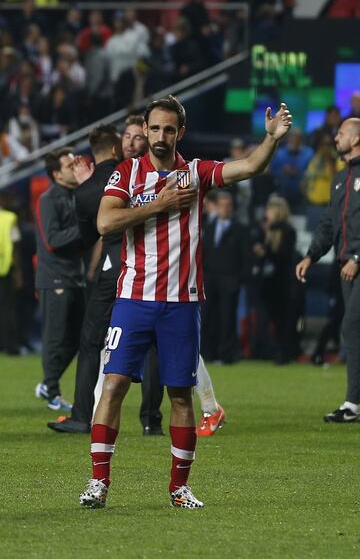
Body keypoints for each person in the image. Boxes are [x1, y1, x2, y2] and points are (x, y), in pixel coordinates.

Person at [79, 95, 292, 509]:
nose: (159, 137)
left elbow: (250, 166)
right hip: (133, 298)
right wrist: (159, 205)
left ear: (181, 133)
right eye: (154, 129)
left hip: (182, 303)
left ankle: (179, 487)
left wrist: (270, 140)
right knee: (114, 385)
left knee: (180, 395)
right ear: (146, 130)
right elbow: (105, 221)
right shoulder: (126, 173)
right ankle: (99, 482)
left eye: (168, 129)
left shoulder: (196, 173)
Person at [47, 118, 146, 434]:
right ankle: (152, 421)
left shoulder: (88, 189)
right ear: (117, 146)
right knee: (158, 343)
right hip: (149, 264)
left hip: (113, 266)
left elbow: (88, 237)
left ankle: (81, 416)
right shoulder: (138, 175)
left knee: (91, 340)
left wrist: (87, 186)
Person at [296, 118, 360, 423]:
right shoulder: (340, 178)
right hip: (346, 267)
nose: (336, 137)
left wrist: (357, 256)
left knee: (352, 326)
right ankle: (354, 404)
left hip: (355, 264)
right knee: (352, 329)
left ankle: (353, 404)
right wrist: (311, 255)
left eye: (342, 133)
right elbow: (327, 223)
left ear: (357, 138)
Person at [35, 148, 85, 411]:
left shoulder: (75, 196)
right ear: (56, 174)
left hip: (75, 276)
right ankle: (52, 391)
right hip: (55, 278)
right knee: (55, 337)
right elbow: (52, 241)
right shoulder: (48, 199)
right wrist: (85, 228)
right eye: (70, 165)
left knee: (79, 337)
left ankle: (47, 383)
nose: (76, 168)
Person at [254, 196, 302, 364]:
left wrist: (264, 252)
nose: (267, 213)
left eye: (270, 209)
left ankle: (284, 353)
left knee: (282, 320)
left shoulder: (287, 231)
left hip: (282, 282)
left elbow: (282, 257)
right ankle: (272, 350)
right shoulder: (268, 230)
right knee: (273, 319)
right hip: (269, 282)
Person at [201, 191, 247, 364]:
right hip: (210, 278)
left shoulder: (240, 229)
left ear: (232, 208)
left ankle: (226, 354)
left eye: (228, 206)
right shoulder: (209, 226)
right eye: (221, 205)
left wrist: (239, 278)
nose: (224, 209)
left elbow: (245, 256)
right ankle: (207, 353)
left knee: (227, 318)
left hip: (230, 279)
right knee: (207, 317)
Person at [0, 192, 22, 355]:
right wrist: (18, 272)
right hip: (5, 269)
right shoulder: (10, 218)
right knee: (7, 310)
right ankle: (10, 346)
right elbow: (15, 245)